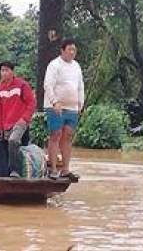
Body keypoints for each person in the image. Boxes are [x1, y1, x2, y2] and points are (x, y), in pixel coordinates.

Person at [44, 39, 84, 180]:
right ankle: (53, 169)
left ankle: (66, 169)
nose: (72, 52)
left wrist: (81, 103)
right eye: (69, 49)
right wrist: (54, 102)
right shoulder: (54, 65)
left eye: (74, 50)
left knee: (67, 137)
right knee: (55, 135)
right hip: (56, 106)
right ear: (62, 50)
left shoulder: (76, 66)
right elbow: (48, 85)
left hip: (72, 108)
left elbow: (80, 86)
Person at [0, 61, 36, 178]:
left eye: (7, 70)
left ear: (12, 72)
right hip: (6, 124)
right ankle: (5, 170)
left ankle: (15, 171)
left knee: (13, 140)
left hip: (19, 122)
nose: (4, 73)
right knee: (1, 144)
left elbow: (31, 103)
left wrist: (25, 119)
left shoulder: (22, 85)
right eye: (2, 70)